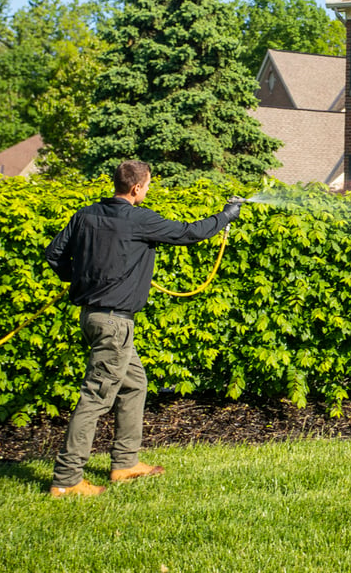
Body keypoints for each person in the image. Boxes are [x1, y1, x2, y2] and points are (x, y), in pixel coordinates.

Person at [44, 160, 241, 497]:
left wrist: (80, 279)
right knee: (95, 398)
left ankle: (124, 463)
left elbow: (53, 255)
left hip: (94, 317)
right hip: (114, 323)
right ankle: (66, 480)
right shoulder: (138, 219)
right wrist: (224, 218)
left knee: (134, 383)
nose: (148, 190)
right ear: (136, 188)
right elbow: (188, 232)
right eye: (148, 185)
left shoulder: (85, 215)